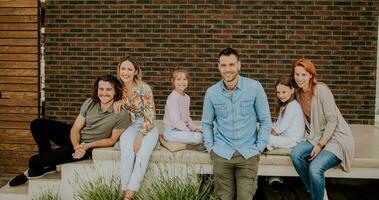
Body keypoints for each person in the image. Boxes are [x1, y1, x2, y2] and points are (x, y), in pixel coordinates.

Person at [8, 75, 130, 187]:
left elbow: (112, 140)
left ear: (115, 92)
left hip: (88, 148)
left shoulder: (121, 114)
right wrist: (76, 145)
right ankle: (48, 165)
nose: (104, 93)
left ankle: (33, 169)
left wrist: (85, 146)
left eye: (108, 89)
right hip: (75, 140)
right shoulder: (90, 102)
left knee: (34, 161)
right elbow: (76, 128)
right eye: (101, 89)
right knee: (37, 124)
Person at [202, 47, 271, 200]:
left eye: (232, 65)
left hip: (248, 154)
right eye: (224, 65)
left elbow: (265, 120)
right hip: (221, 154)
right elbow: (206, 123)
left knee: (245, 197)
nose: (228, 69)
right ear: (219, 67)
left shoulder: (254, 87)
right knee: (224, 197)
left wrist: (259, 147)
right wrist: (211, 148)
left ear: (239, 65)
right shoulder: (211, 92)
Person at [290, 58, 355, 200]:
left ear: (311, 75)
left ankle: (317, 196)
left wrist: (320, 145)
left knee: (315, 168)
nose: (300, 78)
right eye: (297, 74)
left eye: (304, 75)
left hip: (336, 137)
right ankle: (316, 191)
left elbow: (332, 120)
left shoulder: (321, 90)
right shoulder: (298, 94)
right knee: (296, 155)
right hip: (316, 135)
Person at [113, 56, 159, 200]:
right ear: (119, 70)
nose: (125, 72)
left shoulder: (143, 88)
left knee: (142, 153)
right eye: (123, 68)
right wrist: (120, 100)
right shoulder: (118, 88)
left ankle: (129, 194)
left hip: (147, 125)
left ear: (135, 71)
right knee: (126, 151)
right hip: (130, 125)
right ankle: (125, 188)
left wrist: (140, 135)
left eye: (129, 69)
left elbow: (151, 115)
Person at [159, 69, 204, 152]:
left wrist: (194, 128)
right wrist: (189, 131)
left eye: (184, 79)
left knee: (205, 130)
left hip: (182, 129)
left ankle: (187, 143)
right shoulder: (172, 98)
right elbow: (175, 121)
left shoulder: (187, 98)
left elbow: (187, 117)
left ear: (188, 81)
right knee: (199, 137)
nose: (182, 82)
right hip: (171, 132)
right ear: (173, 81)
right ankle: (168, 143)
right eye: (178, 79)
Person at [267, 76, 304, 150]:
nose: (280, 95)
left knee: (264, 138)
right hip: (284, 137)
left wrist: (269, 134)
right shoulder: (284, 105)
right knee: (262, 128)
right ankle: (268, 145)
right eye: (278, 92)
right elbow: (278, 123)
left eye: (284, 92)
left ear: (292, 90)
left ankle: (267, 145)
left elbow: (282, 126)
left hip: (292, 140)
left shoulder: (292, 105)